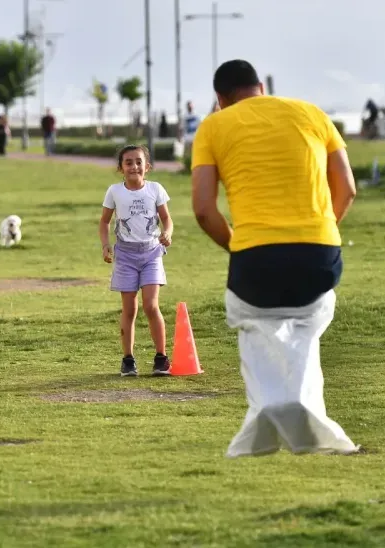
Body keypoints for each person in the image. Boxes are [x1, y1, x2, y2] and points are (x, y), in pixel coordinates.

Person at [191, 59, 359, 458]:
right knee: (304, 327)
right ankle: (303, 413)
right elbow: (348, 188)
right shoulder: (312, 113)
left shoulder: (213, 126)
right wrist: (322, 232)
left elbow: (203, 209)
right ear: (261, 86)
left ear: (220, 98)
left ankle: (269, 413)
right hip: (319, 255)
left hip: (254, 257)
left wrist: (235, 245)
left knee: (255, 325)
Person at [99, 145, 174, 377]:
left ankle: (161, 358)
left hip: (152, 252)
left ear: (147, 166)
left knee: (151, 305)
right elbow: (104, 222)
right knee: (129, 308)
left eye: (139, 162)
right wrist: (105, 245)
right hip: (125, 255)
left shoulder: (155, 189)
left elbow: (166, 219)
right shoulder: (114, 191)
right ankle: (128, 360)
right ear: (121, 168)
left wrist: (167, 233)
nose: (134, 166)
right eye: (128, 162)